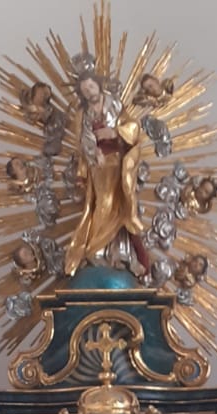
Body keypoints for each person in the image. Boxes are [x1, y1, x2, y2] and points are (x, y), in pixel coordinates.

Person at [63, 74, 150, 276]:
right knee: (104, 203)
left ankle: (118, 253)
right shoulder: (83, 115)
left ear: (99, 86)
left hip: (119, 162)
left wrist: (115, 132)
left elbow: (133, 128)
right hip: (99, 165)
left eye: (91, 86)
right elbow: (82, 142)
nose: (89, 92)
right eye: (85, 90)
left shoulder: (116, 106)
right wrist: (94, 153)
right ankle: (95, 249)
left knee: (121, 205)